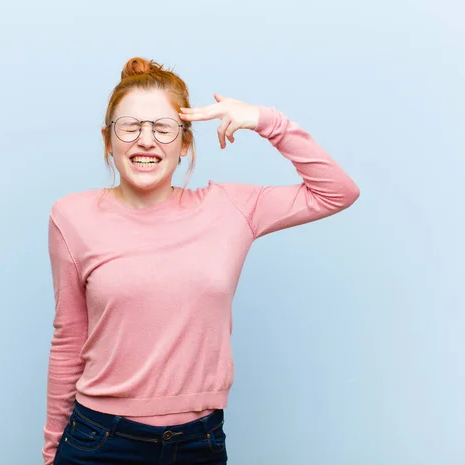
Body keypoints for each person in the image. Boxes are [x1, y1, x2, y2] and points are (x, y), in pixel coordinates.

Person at [42, 57, 360, 465]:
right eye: (130, 127)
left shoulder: (230, 207)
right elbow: (69, 339)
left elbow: (337, 192)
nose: (145, 140)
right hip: (99, 441)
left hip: (198, 444)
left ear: (185, 143)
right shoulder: (72, 216)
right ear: (109, 141)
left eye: (162, 128)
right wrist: (52, 450)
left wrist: (265, 120)